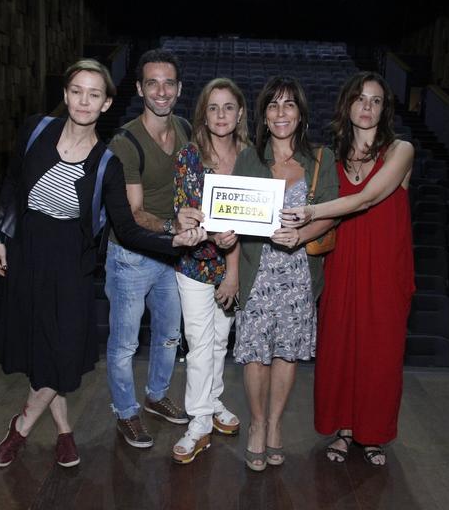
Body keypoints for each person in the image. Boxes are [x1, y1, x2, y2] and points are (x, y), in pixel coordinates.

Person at [0, 59, 205, 469]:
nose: (83, 101)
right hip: (28, 254)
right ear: (66, 94)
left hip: (72, 265)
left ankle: (20, 426)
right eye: (76, 91)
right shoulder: (35, 129)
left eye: (94, 94)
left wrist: (172, 241)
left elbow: (126, 228)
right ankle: (66, 432)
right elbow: (12, 183)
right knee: (43, 351)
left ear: (107, 103)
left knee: (63, 354)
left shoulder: (107, 163)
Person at [280, 71, 415, 466]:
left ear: (384, 108)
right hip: (343, 263)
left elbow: (367, 199)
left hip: (385, 266)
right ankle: (345, 430)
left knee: (380, 352)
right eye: (360, 99)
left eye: (376, 100)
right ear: (347, 104)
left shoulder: (400, 150)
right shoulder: (331, 157)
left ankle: (373, 434)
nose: (368, 107)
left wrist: (310, 211)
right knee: (340, 348)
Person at [232, 76, 338, 471]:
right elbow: (234, 222)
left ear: (301, 113)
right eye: (273, 105)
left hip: (297, 274)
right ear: (263, 115)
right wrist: (231, 275)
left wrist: (300, 236)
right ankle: (257, 424)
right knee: (255, 356)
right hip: (256, 272)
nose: (281, 113)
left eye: (289, 104)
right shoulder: (248, 159)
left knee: (286, 354)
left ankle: (275, 424)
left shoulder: (321, 160)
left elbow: (331, 215)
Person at [105, 48, 202, 448]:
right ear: (141, 89)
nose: (160, 91)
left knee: (167, 335)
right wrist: (172, 227)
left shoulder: (182, 126)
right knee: (125, 343)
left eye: (168, 83)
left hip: (172, 253)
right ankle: (126, 412)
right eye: (152, 83)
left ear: (178, 89)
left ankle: (157, 396)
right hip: (132, 256)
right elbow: (133, 213)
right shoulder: (126, 141)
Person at [170, 78, 250, 464]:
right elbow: (186, 213)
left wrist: (232, 266)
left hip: (234, 268)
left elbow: (254, 220)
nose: (221, 115)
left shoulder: (251, 156)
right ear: (203, 113)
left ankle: (213, 401)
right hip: (195, 264)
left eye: (228, 107)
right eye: (213, 107)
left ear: (240, 113)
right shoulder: (189, 155)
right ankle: (198, 420)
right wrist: (199, 227)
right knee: (200, 344)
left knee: (220, 343)